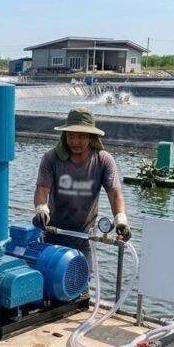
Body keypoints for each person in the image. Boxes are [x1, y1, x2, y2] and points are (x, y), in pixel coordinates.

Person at [33, 107, 131, 266]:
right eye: (71, 136)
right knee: (49, 280)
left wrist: (121, 220)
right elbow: (42, 189)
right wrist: (41, 209)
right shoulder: (51, 158)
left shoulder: (103, 160)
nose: (75, 141)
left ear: (91, 137)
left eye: (81, 136)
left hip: (84, 237)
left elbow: (115, 194)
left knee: (80, 284)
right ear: (64, 136)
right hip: (53, 233)